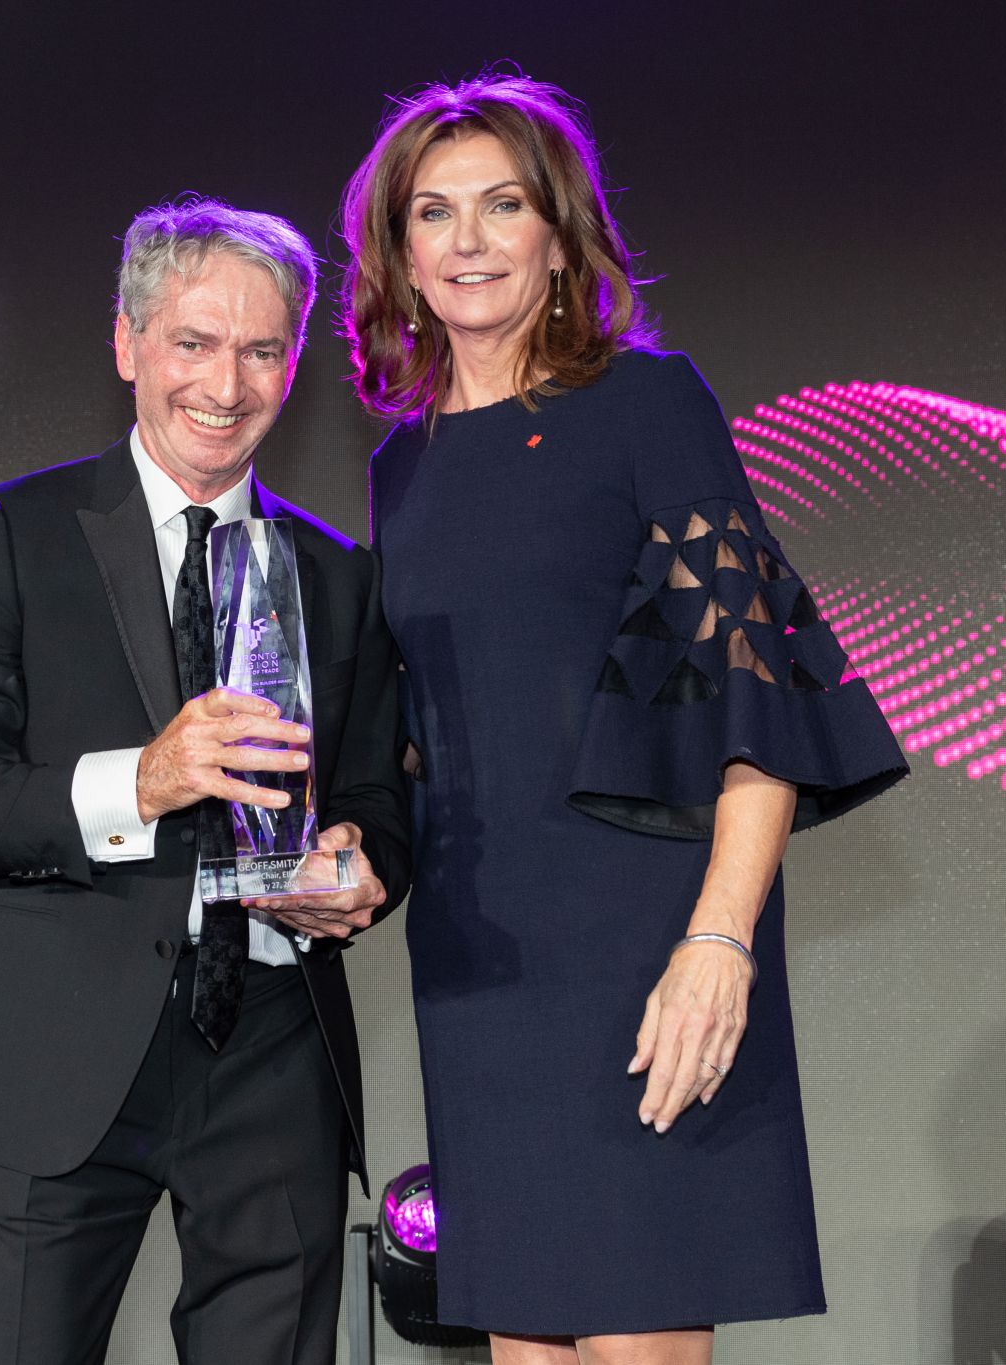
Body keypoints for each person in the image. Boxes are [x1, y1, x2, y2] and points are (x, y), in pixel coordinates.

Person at [341, 75, 908, 1362]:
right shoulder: (401, 465)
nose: (468, 239)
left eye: (502, 205)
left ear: (557, 236)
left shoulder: (647, 406)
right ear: (399, 251)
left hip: (645, 939)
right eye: (434, 212)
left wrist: (721, 940)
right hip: (482, 966)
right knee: (521, 1342)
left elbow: (747, 685)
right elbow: (434, 719)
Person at [0, 197, 412, 1364]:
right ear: (127, 346)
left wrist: (355, 867)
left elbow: (380, 801)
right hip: (60, 1057)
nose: (224, 384)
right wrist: (140, 779)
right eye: (191, 342)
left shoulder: (335, 575)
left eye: (260, 348)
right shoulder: (10, 534)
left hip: (277, 1050)